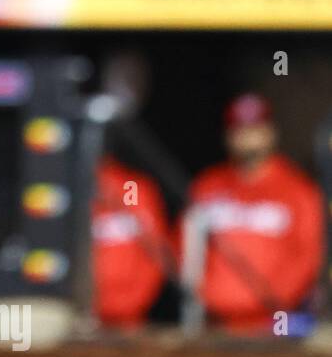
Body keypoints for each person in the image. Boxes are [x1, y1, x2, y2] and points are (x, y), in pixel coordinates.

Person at [183, 94, 325, 335]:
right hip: (213, 324)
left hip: (275, 325)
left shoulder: (300, 191)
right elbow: (186, 251)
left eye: (255, 128)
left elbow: (310, 256)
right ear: (227, 135)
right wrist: (209, 297)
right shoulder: (207, 186)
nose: (247, 137)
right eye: (239, 129)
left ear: (271, 132)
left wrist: (269, 301)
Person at [90, 156, 173, 328]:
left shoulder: (131, 187)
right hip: (75, 315)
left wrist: (131, 305)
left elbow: (156, 253)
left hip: (128, 317)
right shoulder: (60, 190)